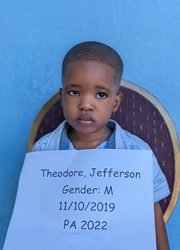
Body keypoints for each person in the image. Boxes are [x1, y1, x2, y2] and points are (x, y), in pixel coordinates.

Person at [32, 41, 170, 249]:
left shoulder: (137, 154)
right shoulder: (44, 151)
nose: (86, 104)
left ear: (115, 103)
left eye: (101, 95)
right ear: (61, 97)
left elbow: (153, 215)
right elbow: (33, 213)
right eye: (74, 92)